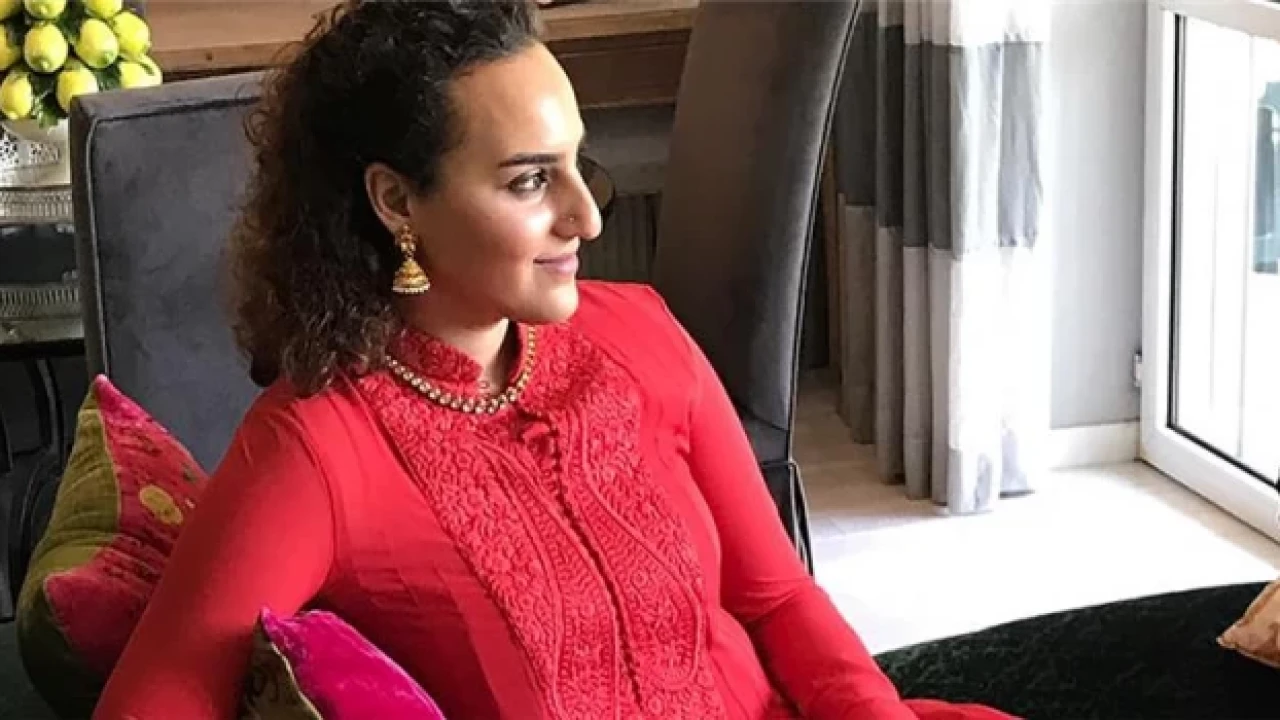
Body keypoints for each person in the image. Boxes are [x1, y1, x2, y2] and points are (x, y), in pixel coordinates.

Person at [95, 2, 1014, 719]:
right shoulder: (315, 450)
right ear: (396, 201)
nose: (588, 216)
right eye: (531, 180)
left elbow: (776, 598)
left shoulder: (640, 332)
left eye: (578, 163)